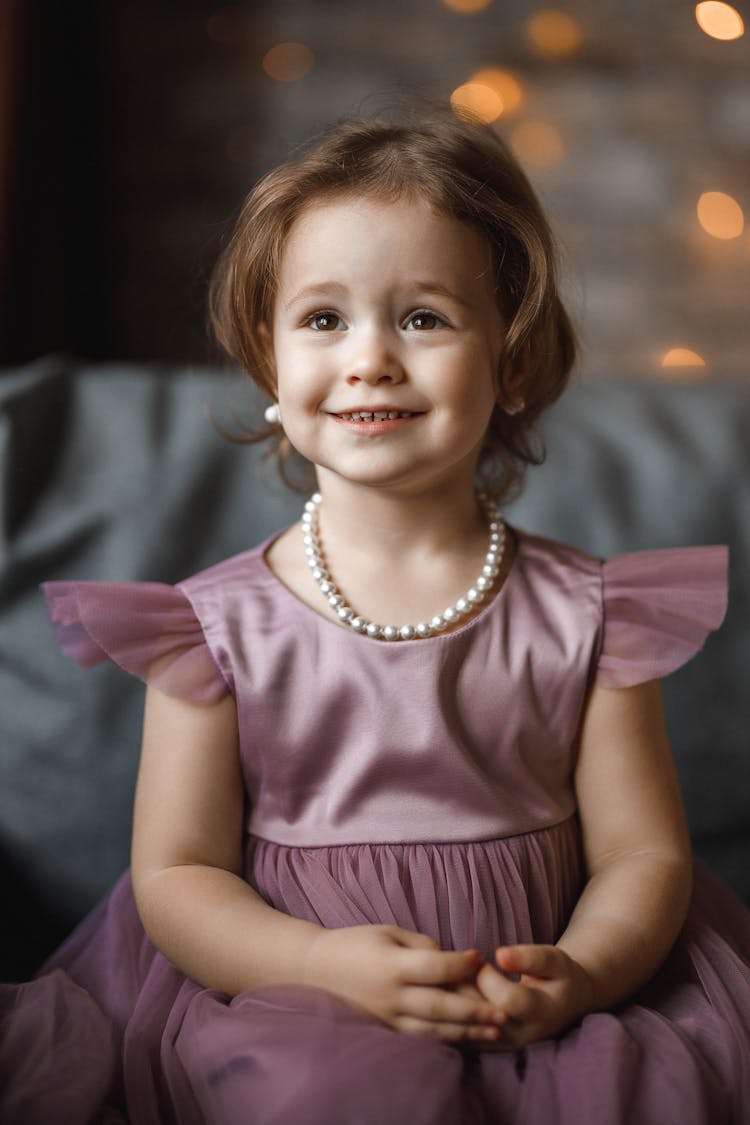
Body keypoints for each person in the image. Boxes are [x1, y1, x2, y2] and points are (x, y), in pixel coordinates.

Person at [1, 107, 748, 1125]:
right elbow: (176, 874)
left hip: (539, 988)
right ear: (270, 364)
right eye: (323, 319)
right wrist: (315, 963)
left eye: (424, 317)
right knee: (323, 1098)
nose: (370, 360)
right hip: (287, 997)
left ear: (514, 362)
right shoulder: (212, 630)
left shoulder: (594, 616)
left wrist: (580, 971)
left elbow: (641, 855)